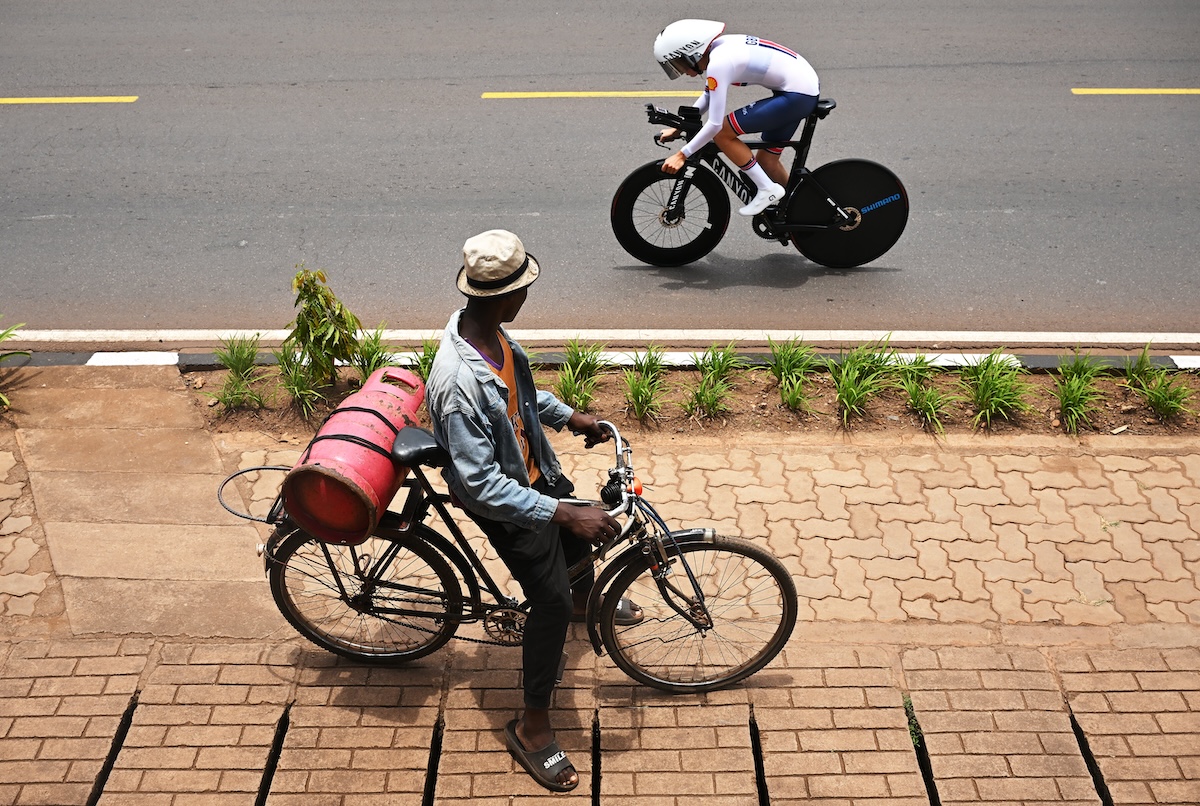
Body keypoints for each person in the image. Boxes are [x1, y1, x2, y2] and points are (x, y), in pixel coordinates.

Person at [424, 229, 641, 792]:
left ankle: (582, 602)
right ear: (499, 296)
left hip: (535, 472)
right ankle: (534, 725)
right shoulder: (455, 382)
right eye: (523, 289)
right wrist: (562, 513)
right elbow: (482, 485)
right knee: (546, 600)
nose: (527, 297)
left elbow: (522, 397)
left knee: (582, 533)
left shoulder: (493, 337)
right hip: (505, 502)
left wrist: (571, 417)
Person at [653, 19, 820, 216]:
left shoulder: (720, 63)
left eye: (680, 63)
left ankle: (768, 189)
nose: (681, 71)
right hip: (799, 90)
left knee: (723, 134)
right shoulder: (719, 50)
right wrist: (679, 127)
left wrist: (682, 155)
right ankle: (805, 211)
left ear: (694, 53)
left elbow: (714, 125)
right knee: (767, 163)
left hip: (796, 96)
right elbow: (708, 95)